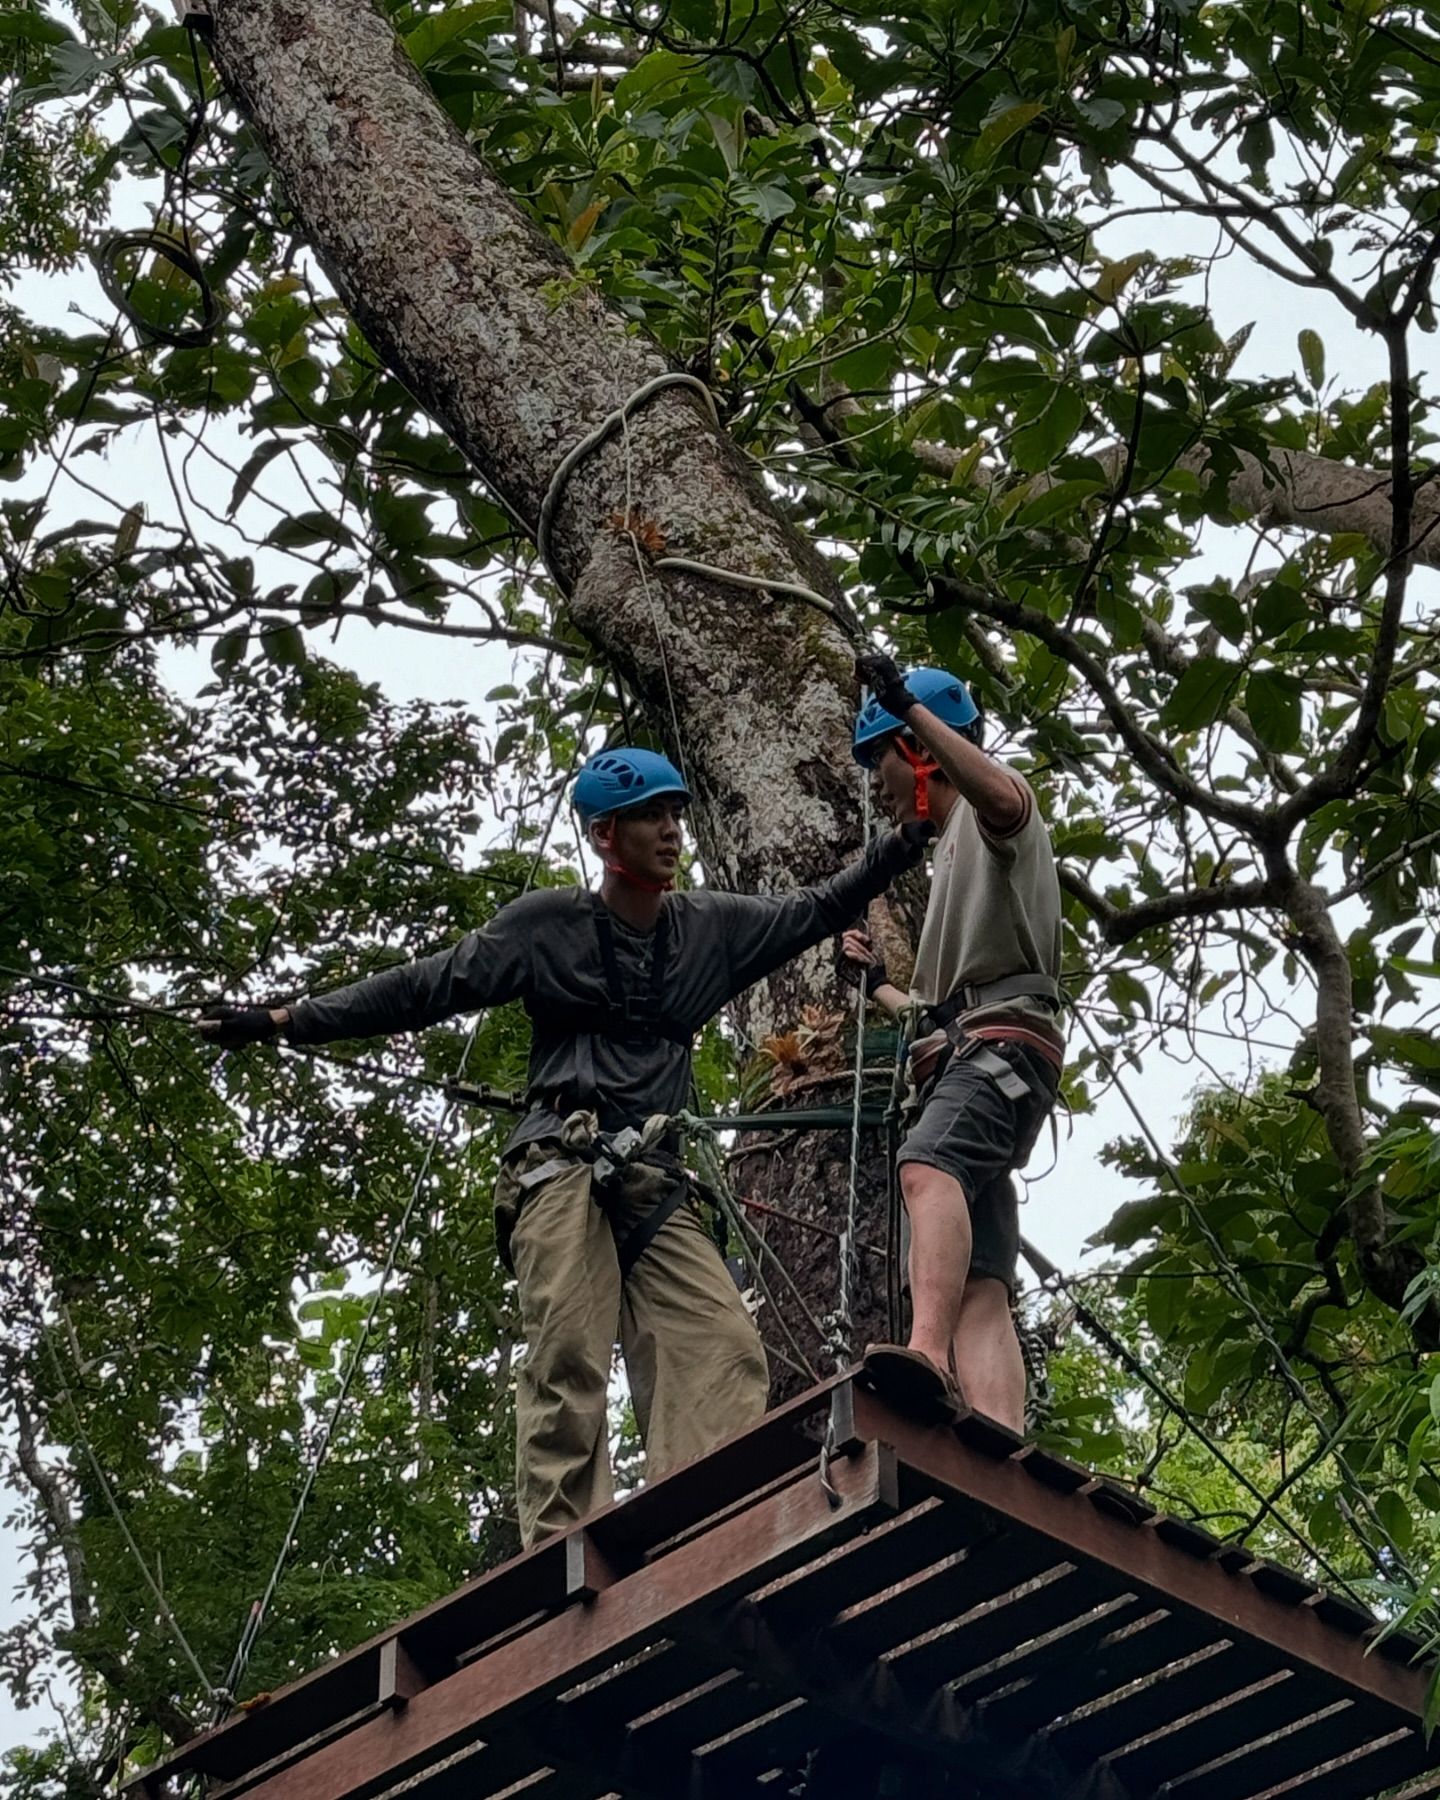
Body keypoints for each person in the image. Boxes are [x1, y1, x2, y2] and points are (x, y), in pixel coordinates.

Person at [200, 745, 930, 1545]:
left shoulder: (707, 930)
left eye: (675, 814)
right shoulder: (548, 927)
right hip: (560, 1162)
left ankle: (709, 1529)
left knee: (720, 1348)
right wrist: (285, 1020)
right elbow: (426, 986)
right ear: (604, 836)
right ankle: (565, 1556)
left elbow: (818, 908)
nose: (671, 830)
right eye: (652, 815)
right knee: (569, 1354)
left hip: (652, 1177)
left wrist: (901, 845)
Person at [840, 657, 1063, 1433]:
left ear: (922, 751)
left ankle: (927, 1352)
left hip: (998, 1049)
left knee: (927, 1166)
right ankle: (1002, 1435)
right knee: (983, 1278)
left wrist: (906, 705)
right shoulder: (951, 857)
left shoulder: (990, 814)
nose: (879, 785)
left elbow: (1004, 793)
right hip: (977, 1047)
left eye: (883, 761)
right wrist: (882, 992)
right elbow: (945, 1011)